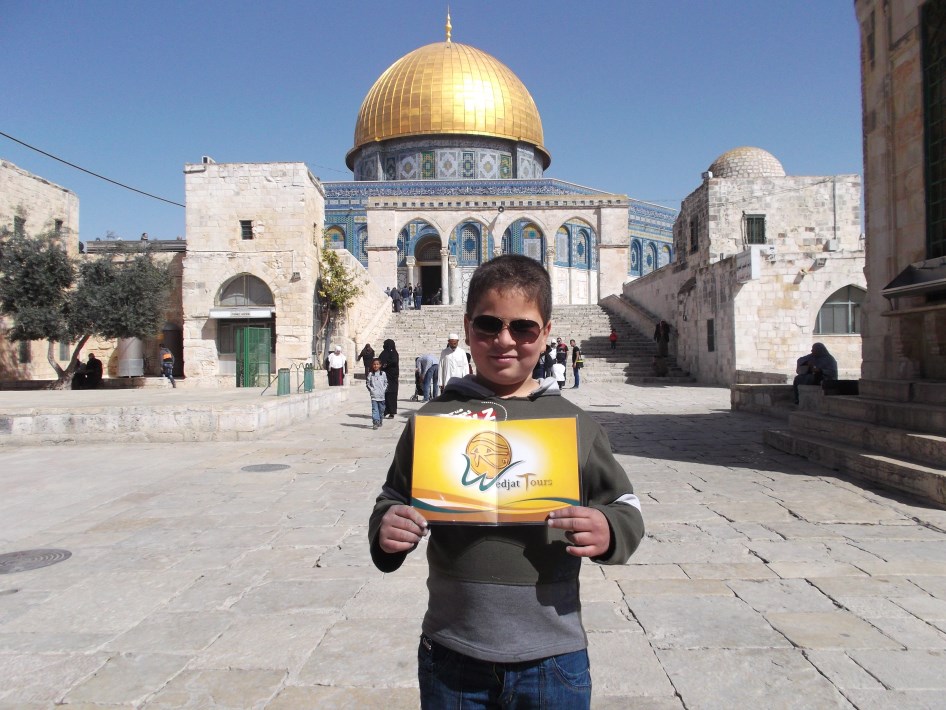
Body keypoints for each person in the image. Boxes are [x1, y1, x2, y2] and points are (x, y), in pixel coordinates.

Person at [369, 254, 644, 709]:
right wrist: (387, 528)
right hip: (452, 651)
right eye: (488, 326)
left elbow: (625, 504)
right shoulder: (434, 421)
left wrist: (609, 529)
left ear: (547, 332)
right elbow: (392, 498)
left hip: (552, 657)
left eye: (523, 328)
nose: (504, 341)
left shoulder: (573, 424)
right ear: (467, 326)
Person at [379, 339, 399, 418]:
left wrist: (387, 364)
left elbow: (394, 361)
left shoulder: (393, 353)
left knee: (392, 394)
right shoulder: (385, 353)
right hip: (385, 377)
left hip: (392, 377)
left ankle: (392, 412)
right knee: (385, 394)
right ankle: (385, 411)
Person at [366, 358, 388, 430]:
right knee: (375, 410)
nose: (376, 366)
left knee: (381, 410)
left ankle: (380, 420)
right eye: (374, 364)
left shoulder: (383, 374)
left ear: (380, 365)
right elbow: (368, 383)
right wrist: (372, 390)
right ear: (372, 365)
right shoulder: (371, 374)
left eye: (377, 364)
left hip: (381, 396)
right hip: (374, 396)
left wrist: (384, 389)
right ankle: (375, 422)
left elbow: (386, 383)